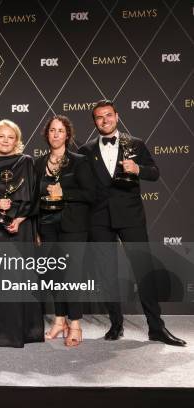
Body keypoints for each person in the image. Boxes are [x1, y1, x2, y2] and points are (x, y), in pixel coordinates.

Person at [78, 99, 186, 346]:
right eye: (99, 117)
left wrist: (138, 168)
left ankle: (156, 328)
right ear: (94, 121)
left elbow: (155, 173)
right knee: (106, 273)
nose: (104, 120)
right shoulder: (85, 150)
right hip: (99, 220)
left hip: (130, 217)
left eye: (108, 115)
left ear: (117, 116)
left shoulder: (135, 144)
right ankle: (116, 325)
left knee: (144, 271)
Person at [34, 115, 95, 347]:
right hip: (47, 226)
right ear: (46, 134)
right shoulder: (39, 163)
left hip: (73, 227)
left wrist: (64, 194)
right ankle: (60, 321)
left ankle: (76, 324)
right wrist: (36, 228)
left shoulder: (79, 161)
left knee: (72, 276)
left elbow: (90, 194)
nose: (56, 134)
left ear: (67, 135)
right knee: (55, 275)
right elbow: (34, 198)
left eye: (60, 130)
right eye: (52, 130)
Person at [0, 119, 44, 348]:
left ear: (17, 140)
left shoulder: (25, 161)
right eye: (2, 136)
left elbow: (32, 194)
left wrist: (19, 219)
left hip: (20, 228)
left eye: (11, 137)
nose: (6, 141)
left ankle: (24, 331)